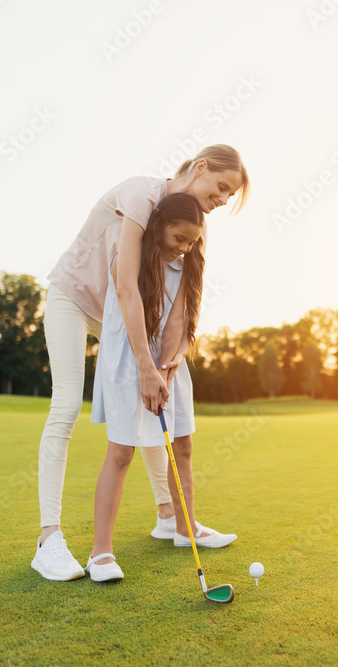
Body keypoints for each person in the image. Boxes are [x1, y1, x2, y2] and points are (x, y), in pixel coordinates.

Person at [31, 145, 250, 582]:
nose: (223, 199)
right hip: (76, 300)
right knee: (67, 404)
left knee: (151, 406)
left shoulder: (193, 226)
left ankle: (171, 517)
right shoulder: (140, 197)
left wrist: (165, 364)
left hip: (120, 313)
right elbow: (128, 289)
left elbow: (184, 306)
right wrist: (146, 368)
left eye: (230, 196)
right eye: (222, 186)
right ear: (200, 168)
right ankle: (48, 539)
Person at [87, 193, 234, 582]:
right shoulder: (131, 258)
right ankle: (101, 552)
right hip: (128, 358)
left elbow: (179, 323)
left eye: (191, 242)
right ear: (159, 227)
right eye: (178, 238)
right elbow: (125, 299)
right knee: (121, 453)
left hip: (165, 361)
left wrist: (167, 368)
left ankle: (184, 529)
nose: (183, 248)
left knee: (182, 444)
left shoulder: (186, 267)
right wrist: (146, 369)